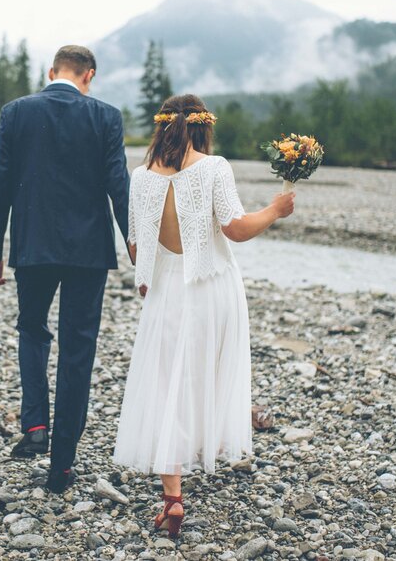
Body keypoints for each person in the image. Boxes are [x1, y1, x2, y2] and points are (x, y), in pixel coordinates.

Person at [113, 93, 294, 537]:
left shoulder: (140, 177)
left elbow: (137, 247)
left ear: (161, 127)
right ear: (202, 126)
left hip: (166, 289)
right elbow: (235, 228)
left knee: (164, 383)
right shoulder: (215, 168)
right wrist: (275, 210)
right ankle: (200, 448)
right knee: (199, 378)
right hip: (212, 287)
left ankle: (172, 497)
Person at [0, 44, 130, 494]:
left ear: (52, 72)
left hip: (33, 246)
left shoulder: (16, 113)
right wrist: (137, 245)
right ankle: (62, 465)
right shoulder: (106, 117)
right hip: (88, 251)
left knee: (31, 329)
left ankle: (34, 427)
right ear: (90, 76)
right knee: (77, 351)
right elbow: (118, 185)